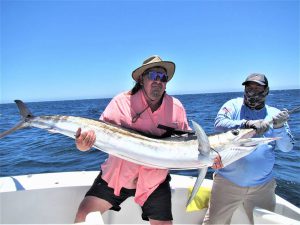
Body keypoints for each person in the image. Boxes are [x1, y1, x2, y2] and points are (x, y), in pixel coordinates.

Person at [74, 55, 192, 225]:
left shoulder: (177, 108)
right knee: (83, 215)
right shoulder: (120, 102)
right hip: (116, 177)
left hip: (155, 183)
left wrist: (210, 159)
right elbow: (94, 138)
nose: (158, 81)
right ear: (141, 79)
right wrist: (82, 145)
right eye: (153, 75)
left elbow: (186, 145)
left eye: (163, 77)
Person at [203, 73, 295, 225]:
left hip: (263, 187)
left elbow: (286, 148)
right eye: (249, 87)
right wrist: (247, 124)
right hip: (227, 183)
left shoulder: (274, 114)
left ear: (266, 91)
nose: (253, 91)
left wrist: (279, 127)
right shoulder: (233, 105)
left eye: (258, 88)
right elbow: (219, 123)